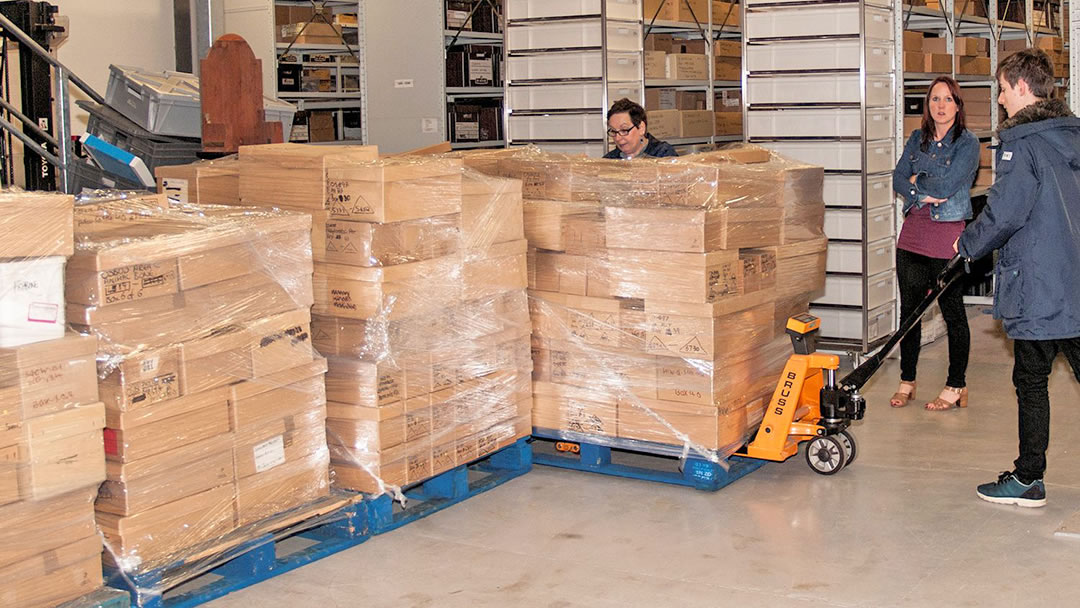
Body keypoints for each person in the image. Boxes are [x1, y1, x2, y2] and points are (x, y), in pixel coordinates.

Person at [955, 48, 1080, 508]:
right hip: (1075, 281)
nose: (1001, 99)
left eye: (1003, 89)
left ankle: (1029, 478)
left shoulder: (1021, 142)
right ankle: (1028, 475)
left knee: (1030, 381)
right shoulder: (1073, 133)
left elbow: (1006, 211)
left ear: (1023, 88)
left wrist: (967, 243)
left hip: (1040, 285)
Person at [889, 76, 979, 411]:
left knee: (953, 313)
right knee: (909, 313)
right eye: (934, 100)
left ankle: (956, 385)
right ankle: (907, 381)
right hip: (913, 234)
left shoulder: (967, 144)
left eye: (947, 99)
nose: (940, 106)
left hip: (947, 237)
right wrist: (919, 188)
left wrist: (918, 180)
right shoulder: (917, 138)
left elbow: (948, 186)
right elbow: (899, 178)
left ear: (958, 104)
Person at [603, 98, 677, 160]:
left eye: (624, 130)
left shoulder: (663, 155)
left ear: (641, 128)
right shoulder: (610, 161)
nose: (617, 138)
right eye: (613, 131)